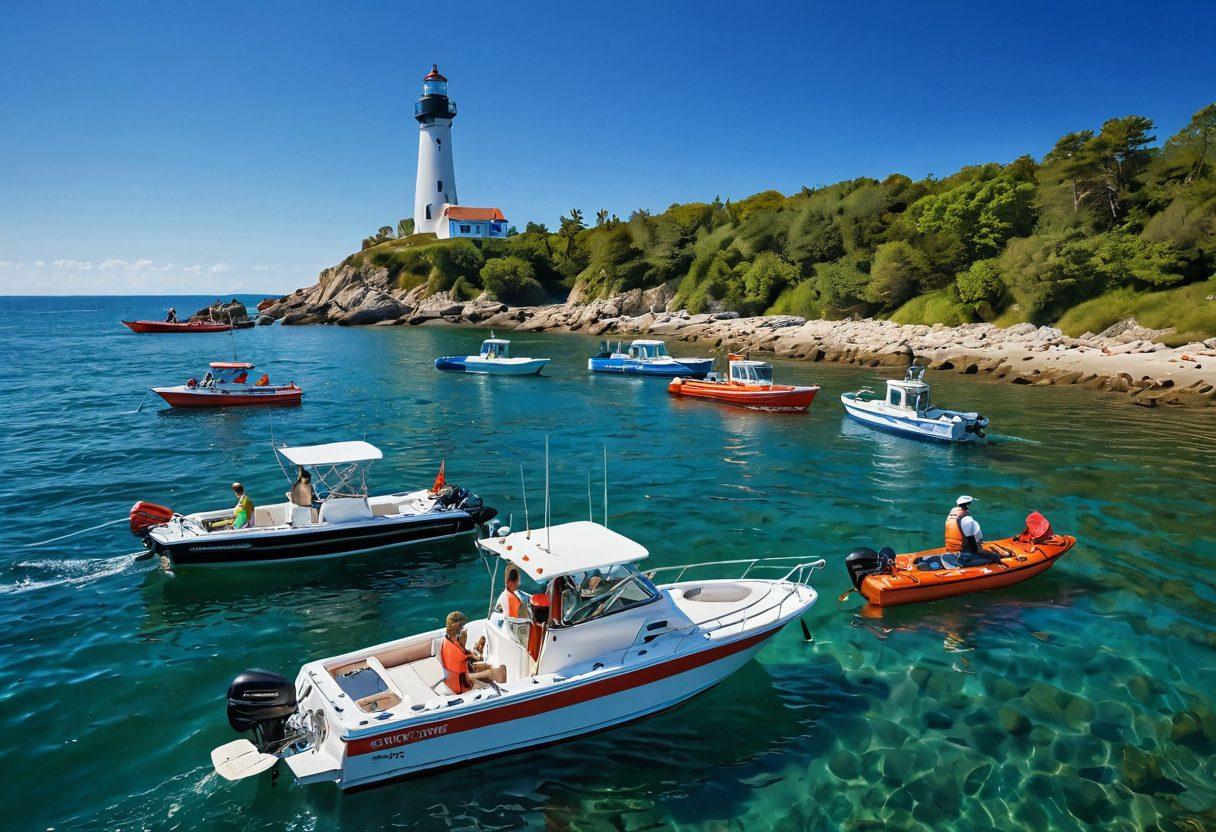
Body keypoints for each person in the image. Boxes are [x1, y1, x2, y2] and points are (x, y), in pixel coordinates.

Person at [439, 612, 506, 693]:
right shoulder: (460, 653)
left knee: (487, 666)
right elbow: (466, 677)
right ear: (459, 631)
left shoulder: (446, 640)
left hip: (453, 680)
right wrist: (477, 655)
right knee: (501, 670)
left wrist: (475, 654)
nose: (466, 631)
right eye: (464, 629)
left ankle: (477, 651)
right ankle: (504, 695)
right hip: (463, 685)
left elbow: (465, 656)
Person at [945, 495, 986, 561]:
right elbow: (972, 540)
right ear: (968, 505)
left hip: (949, 549)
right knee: (994, 557)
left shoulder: (951, 516)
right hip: (962, 553)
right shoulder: (966, 519)